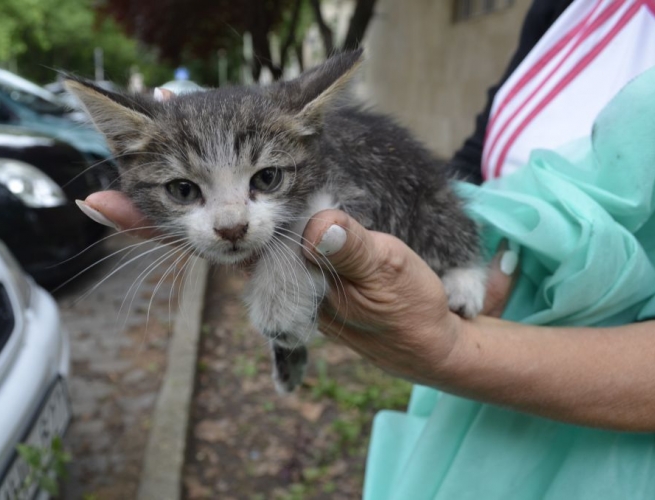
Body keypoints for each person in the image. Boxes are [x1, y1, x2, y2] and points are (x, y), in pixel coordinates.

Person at [75, 0, 655, 497]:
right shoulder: (566, 7)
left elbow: (421, 191)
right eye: (184, 190)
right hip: (469, 404)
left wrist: (451, 343)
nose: (230, 224)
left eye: (263, 182)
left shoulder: (317, 167)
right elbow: (476, 151)